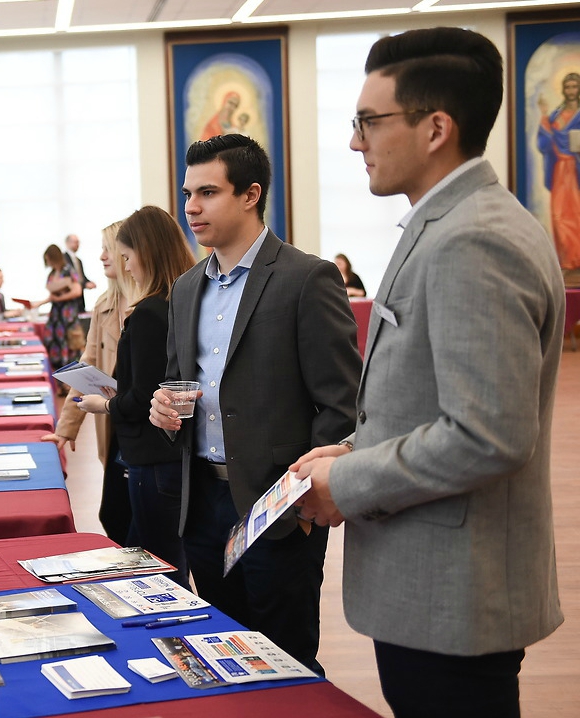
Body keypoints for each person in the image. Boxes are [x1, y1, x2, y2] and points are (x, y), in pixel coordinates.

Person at [291, 28, 565, 717]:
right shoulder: (449, 222)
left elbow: (488, 433)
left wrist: (346, 483)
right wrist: (353, 448)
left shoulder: (473, 238)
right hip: (436, 584)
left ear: (436, 126)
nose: (357, 142)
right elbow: (433, 398)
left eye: (369, 121)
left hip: (455, 593)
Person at [148, 133, 361, 672]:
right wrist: (166, 413)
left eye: (208, 192)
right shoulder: (187, 287)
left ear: (250, 195)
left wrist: (305, 494)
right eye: (187, 193)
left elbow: (340, 403)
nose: (191, 207)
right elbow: (180, 385)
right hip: (203, 506)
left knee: (285, 661)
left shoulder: (305, 277)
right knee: (224, 655)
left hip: (277, 505)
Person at [74, 207, 196, 587]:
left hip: (150, 456)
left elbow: (143, 397)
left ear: (146, 252)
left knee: (157, 564)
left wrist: (104, 403)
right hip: (173, 454)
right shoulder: (181, 302)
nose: (126, 267)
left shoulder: (148, 313)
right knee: (160, 555)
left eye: (127, 256)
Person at [41, 220, 137, 545]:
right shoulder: (104, 304)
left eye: (108, 249)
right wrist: (67, 425)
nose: (101, 257)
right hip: (115, 428)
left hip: (148, 427)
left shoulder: (159, 302)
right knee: (113, 514)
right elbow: (88, 367)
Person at [537, 71, 580, 270]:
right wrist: (544, 115)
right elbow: (546, 142)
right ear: (563, 90)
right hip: (560, 171)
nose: (571, 91)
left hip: (576, 171)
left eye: (574, 86)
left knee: (576, 215)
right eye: (568, 87)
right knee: (559, 216)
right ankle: (566, 262)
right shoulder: (556, 115)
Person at [40, 244, 84, 370]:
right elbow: (51, 296)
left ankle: (68, 382)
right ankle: (58, 382)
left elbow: (77, 291)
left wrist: (59, 298)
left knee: (71, 345)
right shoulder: (52, 273)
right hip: (56, 316)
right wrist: (37, 304)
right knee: (54, 344)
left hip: (67, 315)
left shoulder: (68, 270)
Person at [64, 234, 95, 313]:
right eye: (74, 242)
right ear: (67, 243)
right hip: (70, 301)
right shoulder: (63, 259)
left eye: (78, 242)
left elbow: (81, 277)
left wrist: (88, 282)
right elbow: (68, 279)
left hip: (80, 300)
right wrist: (84, 285)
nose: (77, 245)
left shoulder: (78, 260)